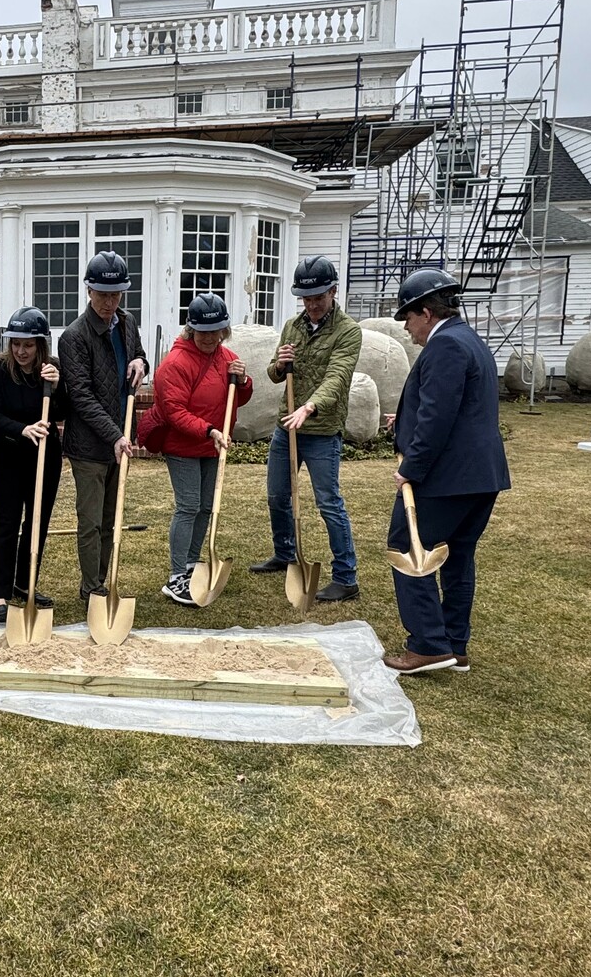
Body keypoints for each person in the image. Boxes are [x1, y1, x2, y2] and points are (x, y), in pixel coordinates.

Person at [383, 268, 511, 674]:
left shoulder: (446, 347)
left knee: (409, 547)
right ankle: (455, 643)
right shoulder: (470, 340)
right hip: (479, 475)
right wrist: (402, 422)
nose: (407, 328)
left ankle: (428, 645)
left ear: (426, 312)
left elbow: (438, 417)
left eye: (408, 318)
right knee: (457, 557)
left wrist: (412, 467)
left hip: (447, 478)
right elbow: (458, 407)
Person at [249, 255, 363, 602]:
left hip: (322, 430)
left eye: (318, 297)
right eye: (306, 298)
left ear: (333, 291)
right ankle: (285, 554)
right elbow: (273, 372)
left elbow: (337, 377)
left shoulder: (348, 332)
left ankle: (346, 577)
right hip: (288, 428)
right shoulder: (292, 326)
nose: (312, 304)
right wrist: (280, 365)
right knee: (276, 495)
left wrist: (309, 407)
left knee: (328, 503)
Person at [152, 293, 252, 606]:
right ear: (190, 329)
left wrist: (243, 381)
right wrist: (209, 431)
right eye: (203, 331)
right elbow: (174, 411)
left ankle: (194, 563)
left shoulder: (227, 358)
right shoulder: (175, 364)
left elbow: (237, 399)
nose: (210, 337)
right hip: (184, 444)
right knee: (189, 505)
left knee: (206, 506)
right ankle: (176, 576)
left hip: (212, 444)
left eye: (216, 331)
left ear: (224, 330)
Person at [59, 250, 148, 600]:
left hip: (119, 438)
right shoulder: (74, 337)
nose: (110, 302)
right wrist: (115, 436)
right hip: (89, 447)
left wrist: (141, 363)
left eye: (116, 294)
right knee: (91, 522)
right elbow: (80, 397)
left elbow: (138, 355)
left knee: (112, 518)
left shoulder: (126, 322)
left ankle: (102, 579)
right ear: (89, 291)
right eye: (103, 294)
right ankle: (90, 587)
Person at [0, 306, 68, 624]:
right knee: (6, 522)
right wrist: (22, 429)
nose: (21, 350)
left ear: (40, 344)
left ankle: (25, 582)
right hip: (7, 455)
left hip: (44, 457)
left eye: (28, 344)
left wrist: (58, 386)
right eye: (16, 343)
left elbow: (61, 413)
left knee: (37, 522)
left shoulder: (51, 368)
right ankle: (0, 594)